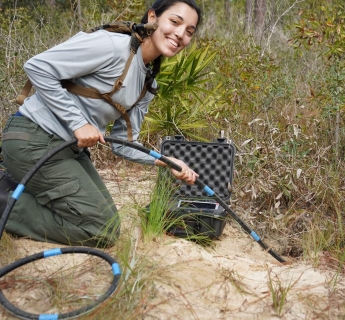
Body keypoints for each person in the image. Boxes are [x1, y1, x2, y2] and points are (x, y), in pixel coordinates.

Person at [0, 0, 201, 247]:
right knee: (99, 230)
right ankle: (3, 205)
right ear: (153, 17)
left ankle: (13, 187)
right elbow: (38, 66)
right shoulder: (113, 46)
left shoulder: (148, 84)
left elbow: (124, 145)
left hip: (67, 150)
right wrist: (78, 123)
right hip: (33, 139)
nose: (180, 34)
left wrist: (166, 161)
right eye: (175, 22)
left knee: (107, 226)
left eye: (189, 31)